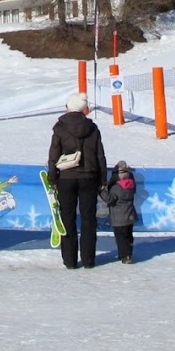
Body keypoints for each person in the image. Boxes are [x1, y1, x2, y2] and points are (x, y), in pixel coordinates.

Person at [47, 92, 108, 269]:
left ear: (69, 108)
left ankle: (70, 260)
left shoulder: (60, 127)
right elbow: (100, 155)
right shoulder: (93, 128)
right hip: (89, 176)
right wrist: (102, 178)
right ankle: (89, 260)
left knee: (67, 218)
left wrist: (52, 177)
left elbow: (54, 154)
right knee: (89, 219)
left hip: (66, 178)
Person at [103, 160, 138, 264]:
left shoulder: (116, 187)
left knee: (121, 238)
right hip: (130, 215)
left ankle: (124, 255)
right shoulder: (131, 184)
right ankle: (129, 254)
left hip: (118, 217)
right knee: (128, 236)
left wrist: (101, 191)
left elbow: (110, 199)